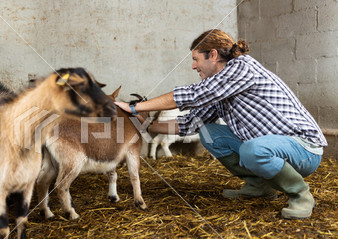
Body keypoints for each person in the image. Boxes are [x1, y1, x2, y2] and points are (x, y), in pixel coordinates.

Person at [115, 29, 327, 219]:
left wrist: (135, 107)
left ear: (213, 54)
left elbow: (193, 95)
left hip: (304, 149)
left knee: (253, 149)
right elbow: (190, 123)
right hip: (271, 148)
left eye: (196, 59)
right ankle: (259, 185)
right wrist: (148, 125)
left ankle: (300, 194)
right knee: (209, 132)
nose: (193, 65)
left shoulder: (242, 68)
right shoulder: (220, 88)